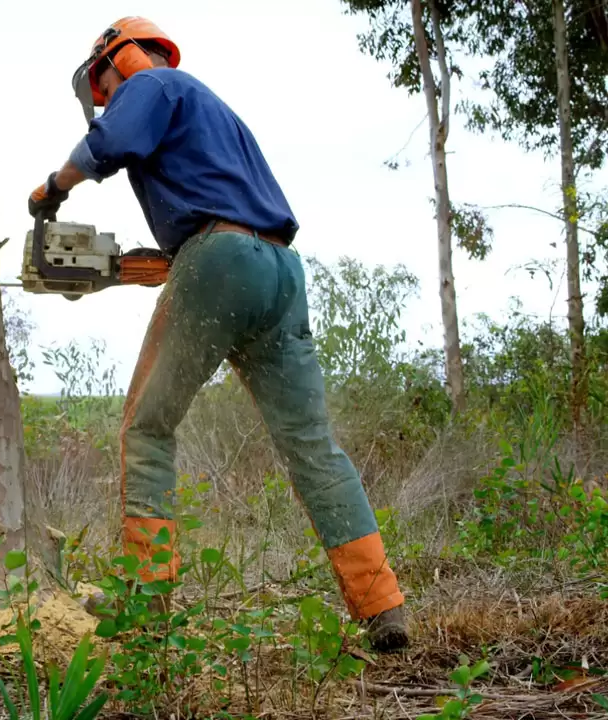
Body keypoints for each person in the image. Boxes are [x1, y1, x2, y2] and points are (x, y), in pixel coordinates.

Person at [27, 16, 409, 652]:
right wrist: (158, 262)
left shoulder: (153, 85)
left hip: (221, 262)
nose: (105, 97)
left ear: (117, 59)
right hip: (280, 269)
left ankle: (144, 606)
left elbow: (105, 147)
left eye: (103, 86)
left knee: (146, 426)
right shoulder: (215, 111)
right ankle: (382, 607)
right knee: (314, 446)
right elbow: (219, 215)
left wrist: (50, 192)